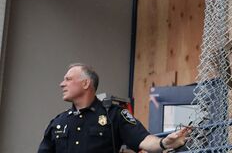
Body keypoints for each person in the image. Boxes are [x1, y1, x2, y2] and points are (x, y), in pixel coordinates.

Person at [37, 63, 191, 153]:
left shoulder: (114, 115)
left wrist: (164, 143)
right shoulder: (59, 122)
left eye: (68, 79)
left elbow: (143, 139)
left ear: (86, 83)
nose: (62, 84)